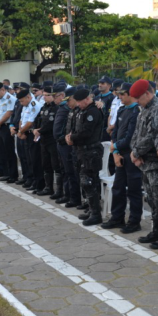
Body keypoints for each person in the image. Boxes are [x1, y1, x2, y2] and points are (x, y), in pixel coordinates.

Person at [129, 79, 158, 248]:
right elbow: (136, 133)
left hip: (156, 164)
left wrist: (137, 152)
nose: (137, 102)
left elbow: (152, 135)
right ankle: (157, 230)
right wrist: (134, 151)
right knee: (152, 199)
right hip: (145, 162)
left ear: (148, 93)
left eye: (139, 98)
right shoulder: (145, 109)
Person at [104, 82, 143, 232]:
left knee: (134, 190)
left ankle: (134, 221)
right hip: (119, 153)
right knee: (118, 188)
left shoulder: (136, 111)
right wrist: (115, 152)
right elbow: (115, 133)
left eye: (123, 94)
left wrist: (116, 147)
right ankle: (117, 217)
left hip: (131, 154)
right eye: (119, 94)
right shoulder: (121, 110)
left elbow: (130, 137)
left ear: (131, 95)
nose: (119, 96)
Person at [66, 89, 104, 225]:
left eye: (80, 102)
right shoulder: (83, 110)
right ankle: (92, 208)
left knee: (89, 182)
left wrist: (72, 138)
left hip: (91, 151)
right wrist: (70, 137)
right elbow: (75, 128)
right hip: (82, 151)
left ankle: (96, 214)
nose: (78, 105)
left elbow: (86, 132)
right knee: (86, 181)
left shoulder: (93, 111)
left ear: (87, 99)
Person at [34, 86, 63, 196]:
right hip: (43, 140)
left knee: (56, 165)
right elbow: (38, 120)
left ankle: (59, 191)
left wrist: (39, 130)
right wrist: (35, 129)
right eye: (44, 95)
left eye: (48, 95)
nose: (45, 97)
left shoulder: (56, 108)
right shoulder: (43, 108)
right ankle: (48, 187)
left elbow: (51, 124)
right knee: (46, 165)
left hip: (52, 140)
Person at [55, 86, 79, 206]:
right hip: (62, 142)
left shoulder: (76, 110)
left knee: (71, 172)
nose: (67, 102)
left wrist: (65, 138)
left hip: (68, 144)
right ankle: (68, 195)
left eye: (69, 100)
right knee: (65, 171)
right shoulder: (68, 108)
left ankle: (74, 198)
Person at [0, 82, 17, 183]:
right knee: (2, 150)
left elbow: (9, 113)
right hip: (0, 127)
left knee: (9, 151)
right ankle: (6, 173)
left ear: (3, 90)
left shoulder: (10, 98)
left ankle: (13, 175)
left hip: (7, 127)